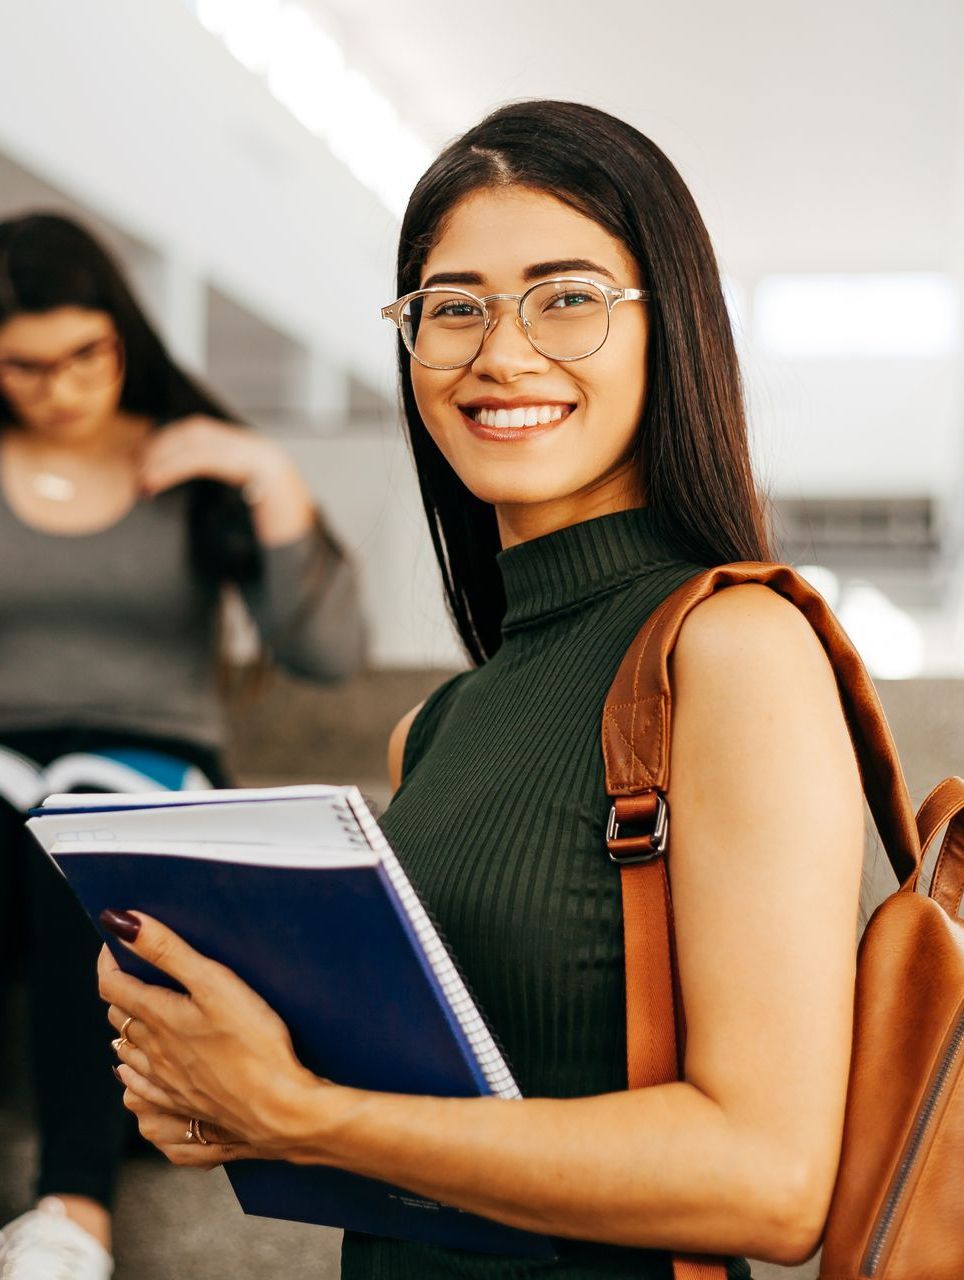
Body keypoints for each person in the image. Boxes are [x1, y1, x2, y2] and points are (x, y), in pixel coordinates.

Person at [98, 101, 865, 1280]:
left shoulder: (734, 648)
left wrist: (302, 1110)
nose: (500, 353)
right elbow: (445, 1127)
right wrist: (218, 1092)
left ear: (673, 329)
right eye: (452, 306)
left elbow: (767, 1179)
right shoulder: (439, 725)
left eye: (567, 297)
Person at [0, 212, 364, 1279]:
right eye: (26, 365)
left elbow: (329, 653)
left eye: (87, 353)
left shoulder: (191, 460)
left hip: (147, 769)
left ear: (124, 334)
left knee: (71, 848)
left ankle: (73, 1211)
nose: (62, 385)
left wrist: (265, 475)